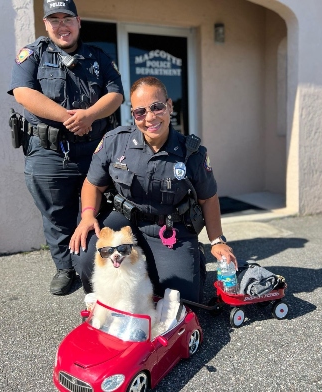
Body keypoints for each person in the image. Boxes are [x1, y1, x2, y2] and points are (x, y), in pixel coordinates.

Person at [69, 76, 236, 303]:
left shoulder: (192, 154)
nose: (150, 117)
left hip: (170, 229)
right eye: (140, 112)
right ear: (133, 114)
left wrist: (217, 240)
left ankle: (192, 260)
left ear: (169, 106)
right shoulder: (115, 142)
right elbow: (93, 184)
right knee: (86, 251)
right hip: (125, 221)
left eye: (157, 107)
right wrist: (87, 214)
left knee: (181, 300)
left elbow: (209, 199)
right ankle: (106, 298)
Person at [8, 0, 124, 295]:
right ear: (46, 25)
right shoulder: (32, 55)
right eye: (55, 19)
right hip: (48, 152)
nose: (62, 25)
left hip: (94, 152)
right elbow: (23, 93)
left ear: (78, 21)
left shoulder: (98, 57)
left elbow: (116, 94)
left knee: (98, 209)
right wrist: (69, 118)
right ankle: (65, 268)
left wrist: (90, 116)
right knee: (56, 215)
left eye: (67, 18)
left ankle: (96, 261)